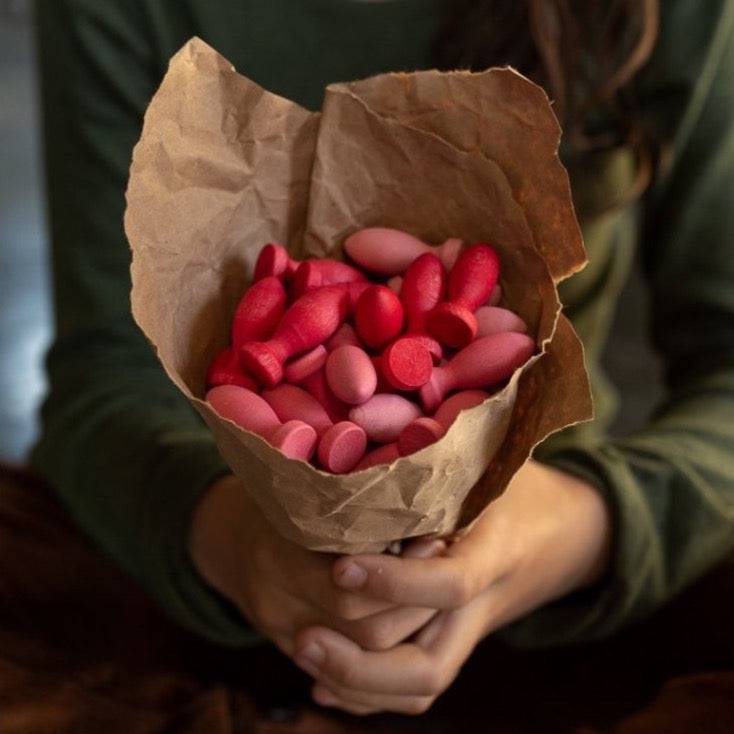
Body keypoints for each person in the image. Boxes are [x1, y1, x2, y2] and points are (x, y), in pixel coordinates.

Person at [31, 0, 734, 717]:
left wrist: (571, 531)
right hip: (212, 602)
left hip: (571, 583)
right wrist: (237, 545)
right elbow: (101, 380)